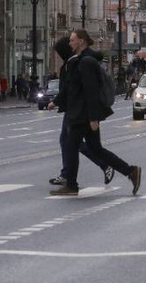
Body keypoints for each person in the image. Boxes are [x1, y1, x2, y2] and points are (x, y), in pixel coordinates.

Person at [49, 29, 142, 197]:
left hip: (82, 114)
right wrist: (55, 102)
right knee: (95, 149)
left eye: (72, 40)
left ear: (81, 41)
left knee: (70, 146)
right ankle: (130, 171)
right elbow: (72, 87)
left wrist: (93, 118)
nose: (70, 43)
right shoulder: (79, 60)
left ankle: (71, 185)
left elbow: (90, 91)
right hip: (81, 112)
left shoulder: (86, 62)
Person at [48, 36, 114, 187]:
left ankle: (102, 166)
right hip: (75, 109)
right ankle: (69, 175)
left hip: (78, 110)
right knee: (71, 142)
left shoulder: (76, 63)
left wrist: (56, 102)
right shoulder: (72, 62)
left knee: (73, 142)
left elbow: (71, 88)